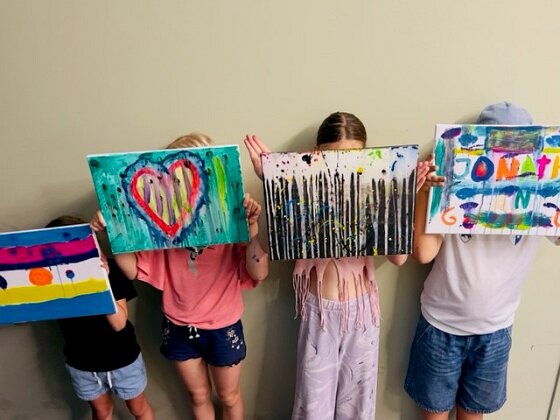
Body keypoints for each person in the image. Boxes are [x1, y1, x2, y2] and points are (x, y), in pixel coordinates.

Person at [245, 112, 422, 420]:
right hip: (320, 314)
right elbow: (265, 255)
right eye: (333, 158)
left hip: (362, 314)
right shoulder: (300, 195)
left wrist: (400, 200)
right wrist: (275, 182)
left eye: (352, 159)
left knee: (358, 407)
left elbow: (399, 258)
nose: (342, 168)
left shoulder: (372, 193)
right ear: (317, 153)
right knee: (313, 406)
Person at [91, 132, 269, 420]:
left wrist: (251, 227)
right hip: (179, 327)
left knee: (229, 396)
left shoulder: (229, 225)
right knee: (198, 395)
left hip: (223, 327)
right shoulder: (165, 232)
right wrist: (116, 228)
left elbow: (258, 270)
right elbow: (132, 268)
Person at [405, 102, 556, 420]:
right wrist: (425, 194)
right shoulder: (454, 188)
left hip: (495, 329)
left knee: (473, 415)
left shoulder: (538, 198)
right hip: (441, 325)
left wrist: (551, 187)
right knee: (433, 414)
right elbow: (423, 253)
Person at [46, 216, 154, 420]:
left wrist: (102, 281)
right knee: (102, 412)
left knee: (138, 409)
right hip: (82, 362)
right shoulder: (53, 281)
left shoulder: (112, 272)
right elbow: (23, 316)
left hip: (123, 359)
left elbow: (118, 324)